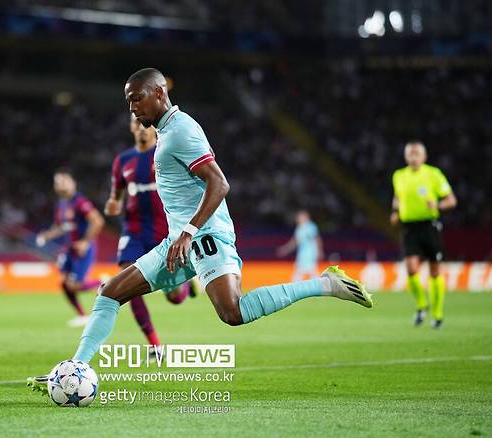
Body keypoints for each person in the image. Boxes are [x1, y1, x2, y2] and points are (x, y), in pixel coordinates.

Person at [28, 68, 372, 389]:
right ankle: (74, 369)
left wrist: (190, 231)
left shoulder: (181, 130)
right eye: (128, 101)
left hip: (205, 235)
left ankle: (325, 284)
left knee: (232, 312)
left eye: (137, 99)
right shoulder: (166, 132)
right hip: (177, 240)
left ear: (159, 93)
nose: (132, 108)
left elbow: (219, 184)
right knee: (109, 292)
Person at [105, 114, 198, 357]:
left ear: (154, 128)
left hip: (164, 231)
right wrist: (113, 204)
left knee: (174, 298)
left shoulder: (166, 153)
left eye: (144, 123)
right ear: (131, 127)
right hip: (134, 231)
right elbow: (116, 195)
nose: (141, 128)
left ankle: (185, 284)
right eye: (136, 123)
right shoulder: (122, 161)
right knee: (126, 281)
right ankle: (155, 345)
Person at [391, 141, 457, 328]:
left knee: (435, 271)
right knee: (411, 268)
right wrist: (395, 212)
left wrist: (437, 205)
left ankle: (437, 314)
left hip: (429, 226)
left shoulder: (433, 174)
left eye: (417, 153)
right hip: (409, 228)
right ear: (406, 157)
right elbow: (397, 198)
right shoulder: (399, 175)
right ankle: (422, 304)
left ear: (424, 156)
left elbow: (451, 200)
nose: (413, 157)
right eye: (410, 154)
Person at [36, 169, 105, 327]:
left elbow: (98, 221)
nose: (61, 185)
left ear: (73, 183)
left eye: (64, 181)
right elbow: (61, 227)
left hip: (83, 248)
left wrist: (85, 242)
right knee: (64, 283)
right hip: (70, 249)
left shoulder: (80, 202)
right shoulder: (62, 204)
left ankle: (104, 283)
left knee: (75, 285)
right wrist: (47, 235)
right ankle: (82, 315)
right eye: (58, 183)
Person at [276, 210, 323, 281]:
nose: (298, 219)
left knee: (311, 271)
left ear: (306, 217)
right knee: (300, 272)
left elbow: (317, 239)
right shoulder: (299, 229)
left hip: (310, 254)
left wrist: (319, 251)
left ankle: (318, 285)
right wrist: (285, 249)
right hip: (302, 254)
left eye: (300, 217)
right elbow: (295, 242)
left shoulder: (311, 227)